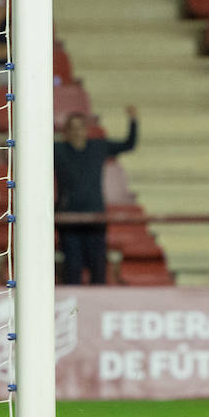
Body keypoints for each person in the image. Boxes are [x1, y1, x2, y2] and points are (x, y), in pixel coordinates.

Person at [54, 108, 139, 285]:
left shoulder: (98, 147)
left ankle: (96, 308)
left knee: (98, 268)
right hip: (69, 221)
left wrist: (133, 121)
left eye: (81, 127)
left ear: (86, 130)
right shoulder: (57, 151)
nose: (77, 131)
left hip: (95, 219)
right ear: (66, 132)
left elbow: (129, 144)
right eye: (73, 128)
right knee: (72, 269)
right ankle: (72, 310)